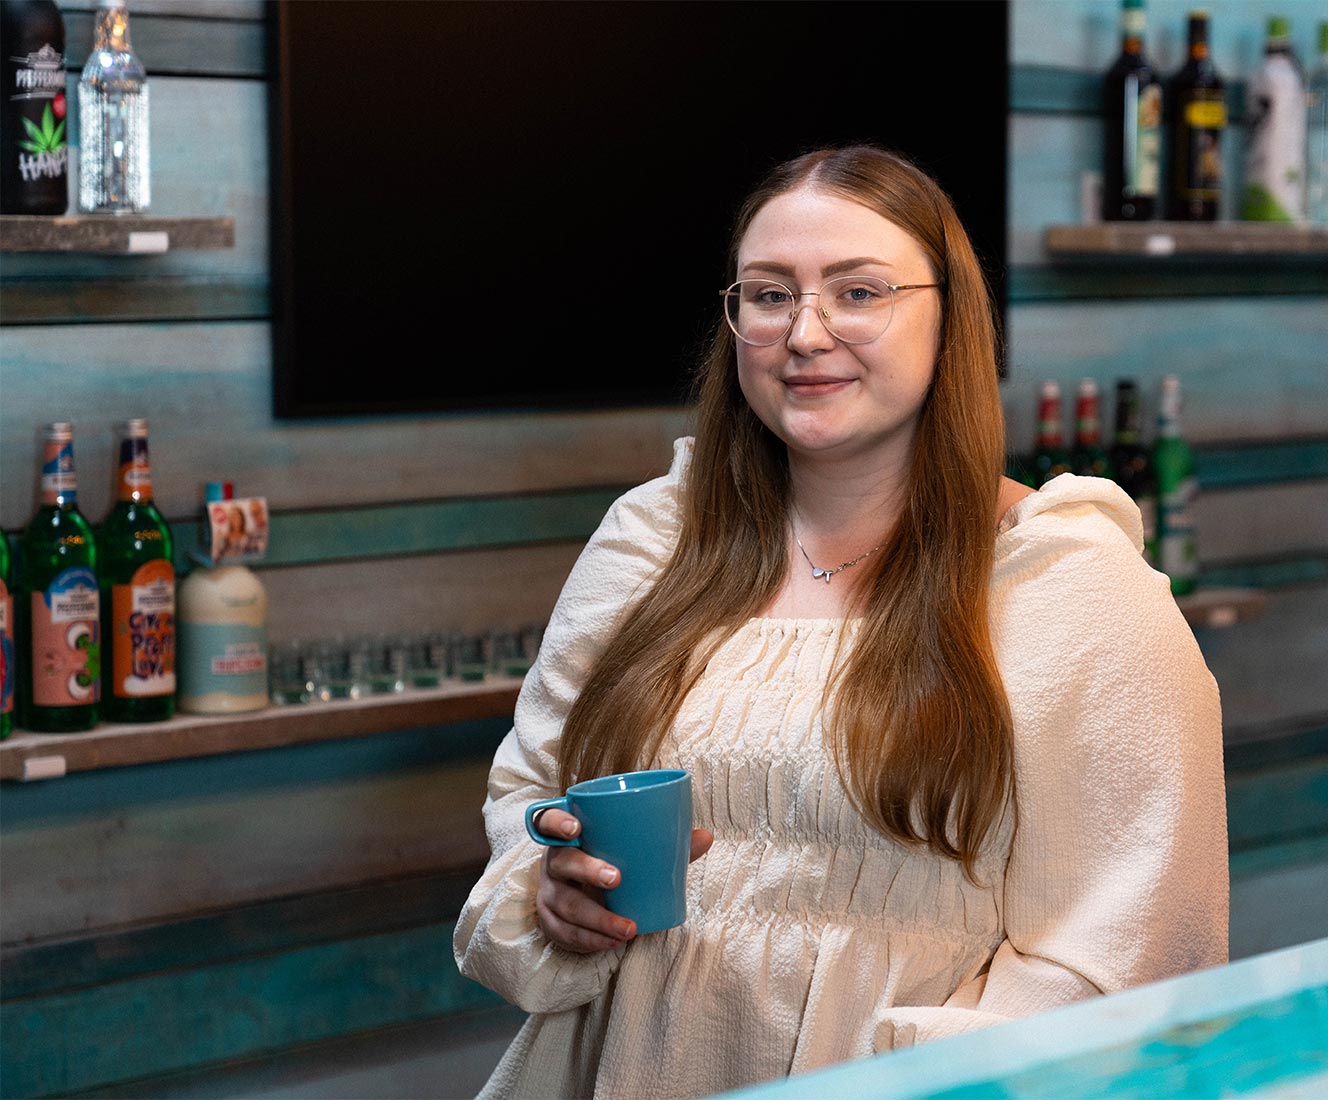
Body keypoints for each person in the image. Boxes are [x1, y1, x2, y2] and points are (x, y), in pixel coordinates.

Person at [454, 144, 1228, 1100]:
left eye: (859, 293)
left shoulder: (1068, 584)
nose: (805, 334)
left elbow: (1125, 949)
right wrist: (554, 895)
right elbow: (530, 800)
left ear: (952, 320)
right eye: (769, 295)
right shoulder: (654, 537)